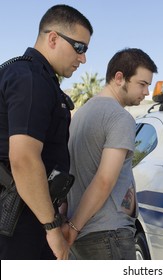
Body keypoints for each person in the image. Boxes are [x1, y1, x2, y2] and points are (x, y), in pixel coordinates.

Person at [0, 5, 93, 260]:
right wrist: (52, 229)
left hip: (27, 214)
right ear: (53, 38)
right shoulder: (31, 78)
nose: (83, 58)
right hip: (17, 222)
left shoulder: (29, 75)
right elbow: (24, 159)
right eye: (80, 47)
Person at [65, 48, 158, 260]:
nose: (146, 92)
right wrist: (73, 227)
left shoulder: (82, 114)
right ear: (119, 78)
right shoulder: (120, 117)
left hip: (84, 236)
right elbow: (105, 179)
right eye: (142, 84)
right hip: (107, 234)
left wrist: (73, 227)